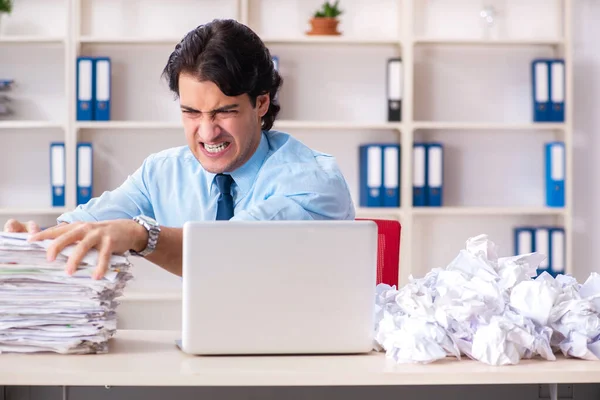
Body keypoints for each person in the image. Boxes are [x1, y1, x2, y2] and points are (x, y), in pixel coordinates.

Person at [3, 19, 355, 280]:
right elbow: (91, 226)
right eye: (191, 112)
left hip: (310, 362)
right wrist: (33, 242)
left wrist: (142, 235)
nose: (206, 132)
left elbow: (230, 254)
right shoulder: (163, 171)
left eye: (224, 111)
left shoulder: (312, 181)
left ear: (261, 103)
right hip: (208, 352)